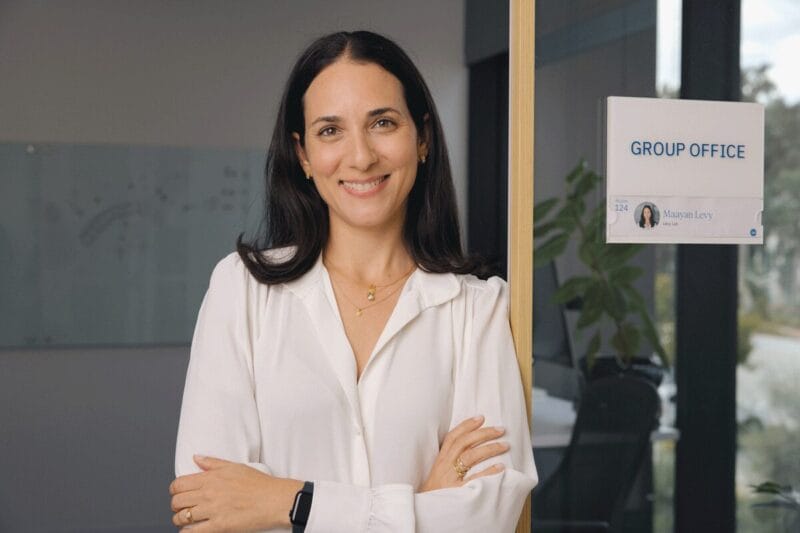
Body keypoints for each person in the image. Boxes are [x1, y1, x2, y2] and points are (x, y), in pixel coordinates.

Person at [169, 30, 537, 532]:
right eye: (330, 131)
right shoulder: (243, 290)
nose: (360, 156)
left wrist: (289, 503)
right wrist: (418, 506)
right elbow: (207, 509)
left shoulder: (477, 308)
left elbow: (487, 517)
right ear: (302, 155)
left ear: (422, 137)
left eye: (382, 123)